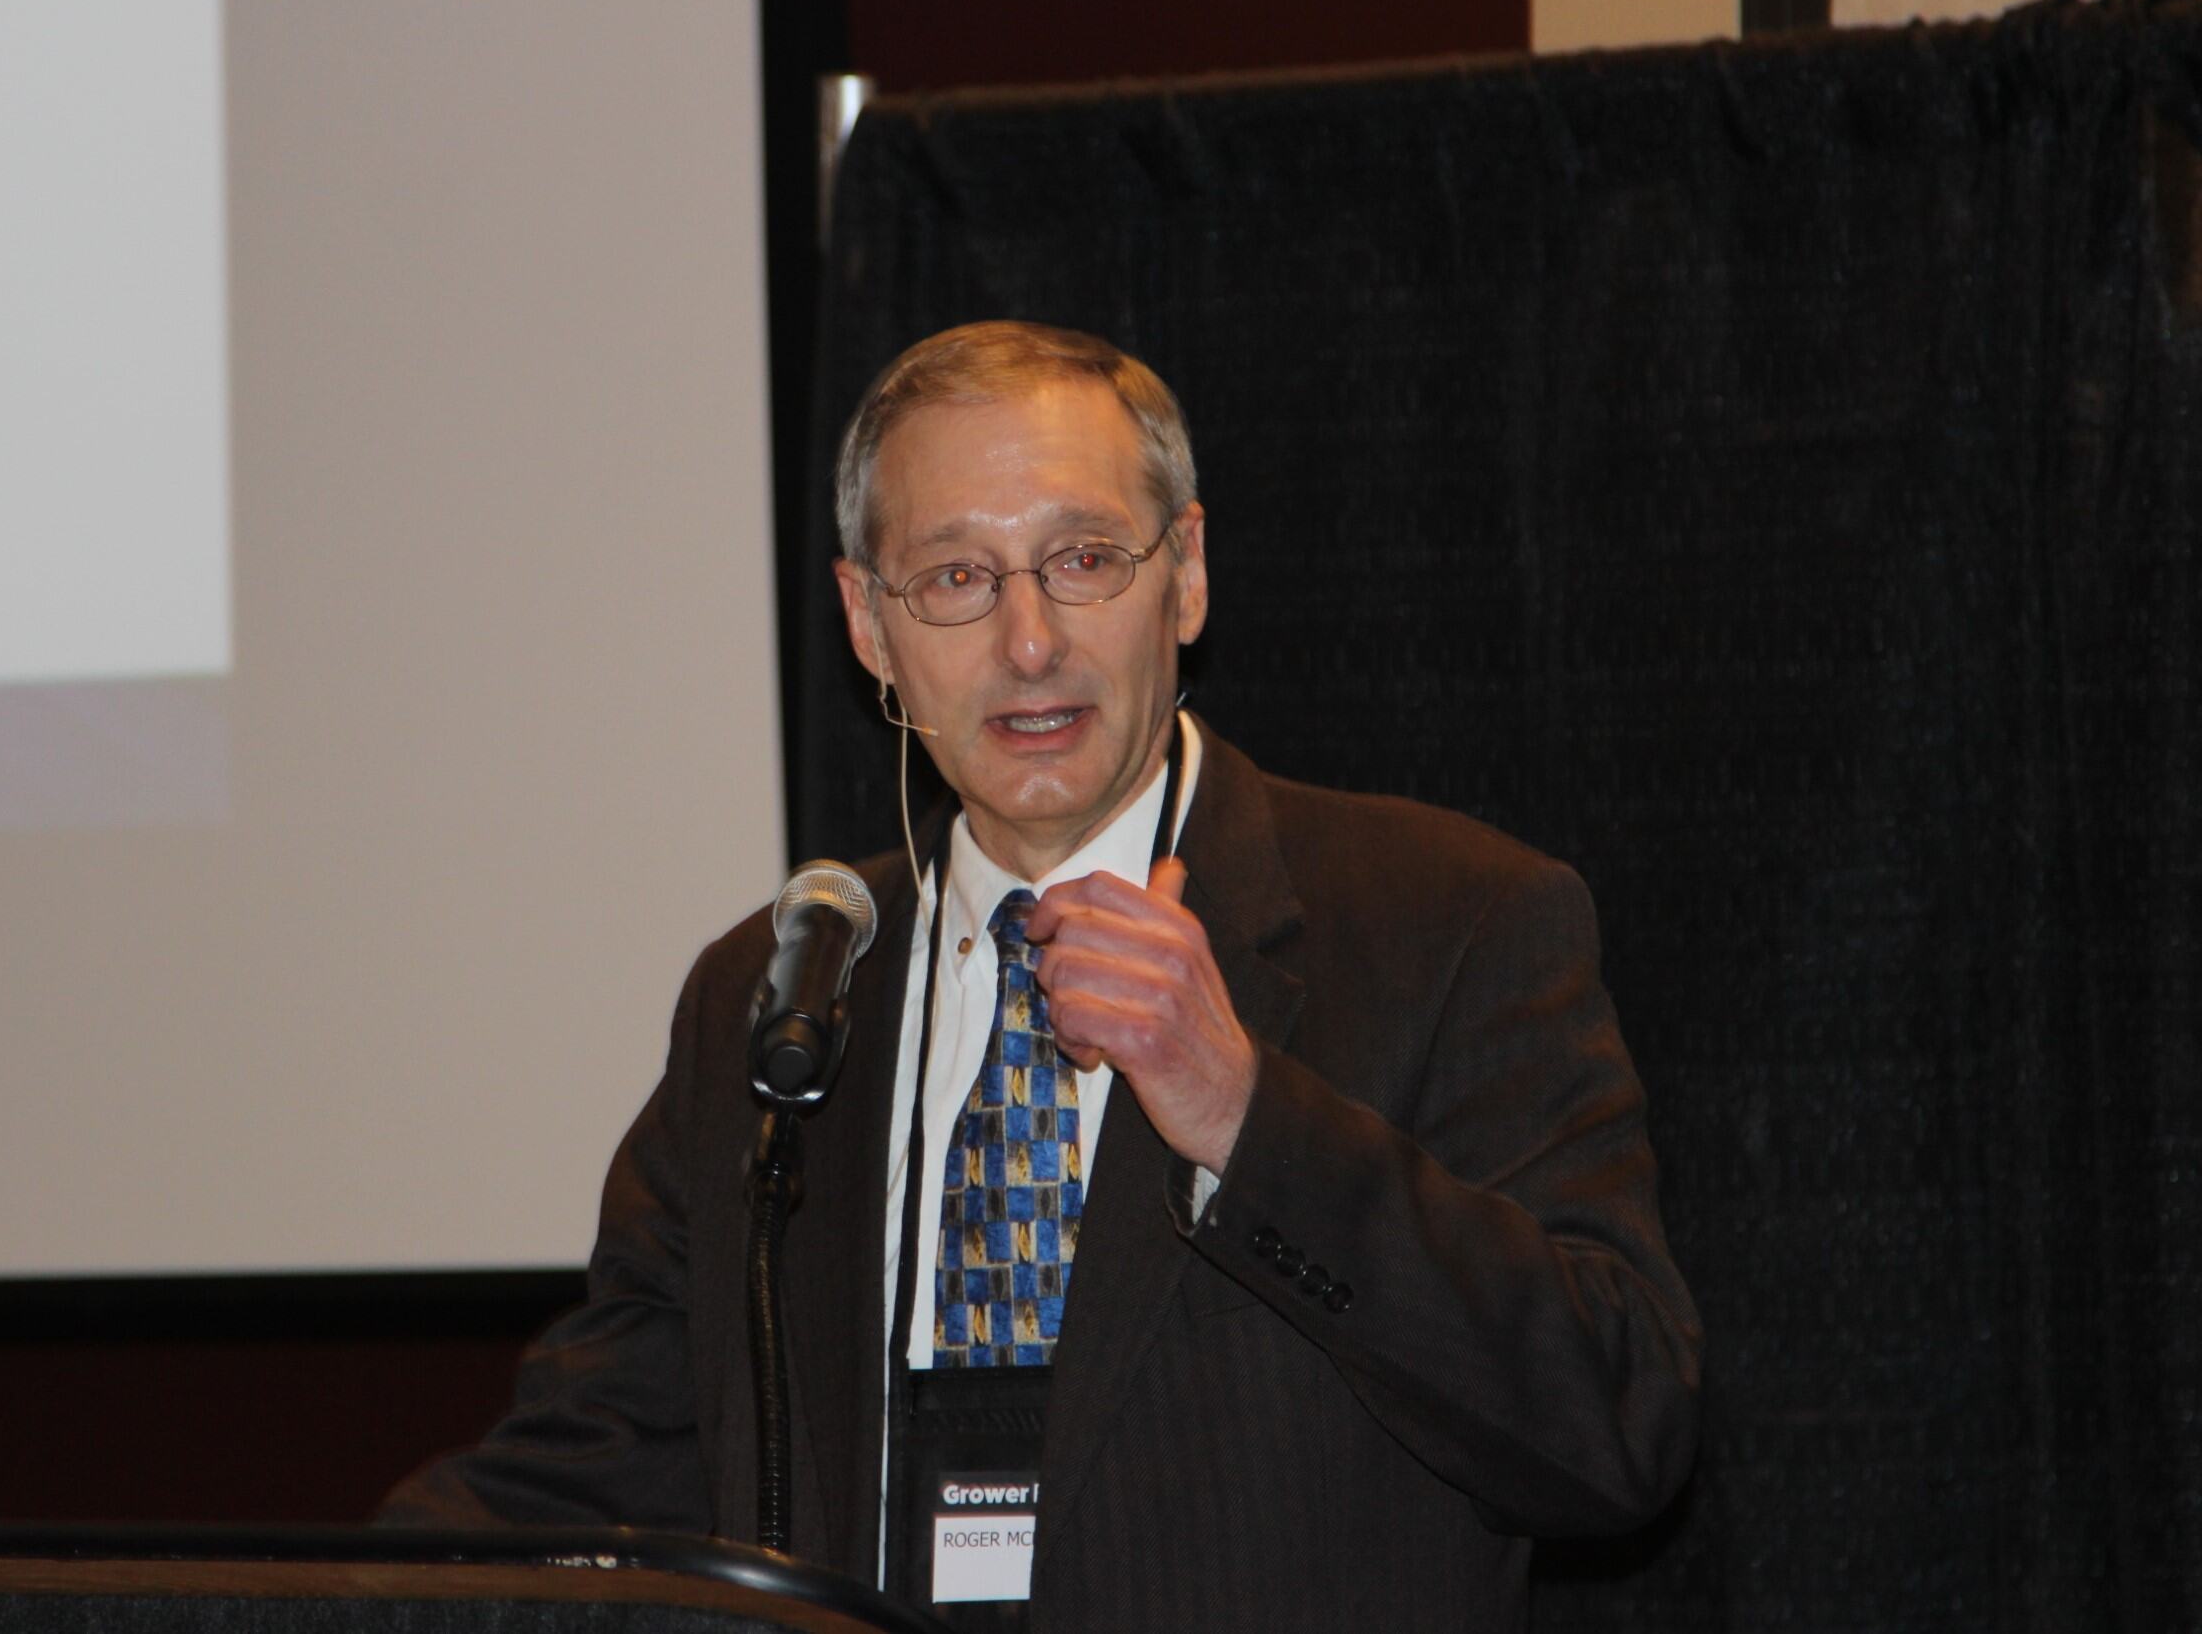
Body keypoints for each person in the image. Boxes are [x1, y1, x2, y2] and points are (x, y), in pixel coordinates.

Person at [385, 322, 1702, 1631]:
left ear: (1184, 573)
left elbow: (1612, 1422)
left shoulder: (1446, 923)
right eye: (956, 575)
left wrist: (1246, 1118)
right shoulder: (784, 990)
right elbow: (590, 1467)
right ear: (867, 625)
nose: (1028, 641)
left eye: (1082, 560)